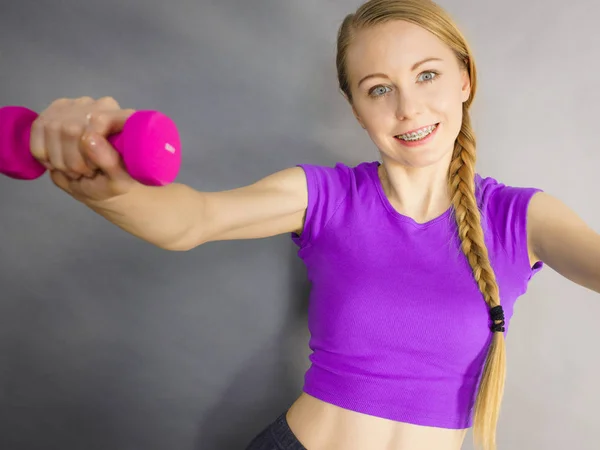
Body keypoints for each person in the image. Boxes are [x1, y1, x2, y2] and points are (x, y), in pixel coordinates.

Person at [21, 0, 599, 449]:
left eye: (427, 75)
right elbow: (192, 219)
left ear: (465, 80)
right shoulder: (325, 196)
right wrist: (109, 184)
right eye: (379, 89)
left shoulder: (519, 217)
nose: (408, 108)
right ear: (356, 109)